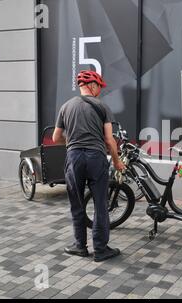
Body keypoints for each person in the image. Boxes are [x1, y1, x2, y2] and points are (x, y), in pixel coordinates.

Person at [52, 70, 126, 262]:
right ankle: (101, 250)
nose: (100, 91)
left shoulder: (66, 107)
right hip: (96, 157)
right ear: (92, 86)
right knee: (100, 205)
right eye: (99, 87)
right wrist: (117, 161)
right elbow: (109, 140)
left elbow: (55, 138)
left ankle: (80, 246)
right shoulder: (102, 107)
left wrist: (73, 143)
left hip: (74, 158)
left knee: (76, 204)